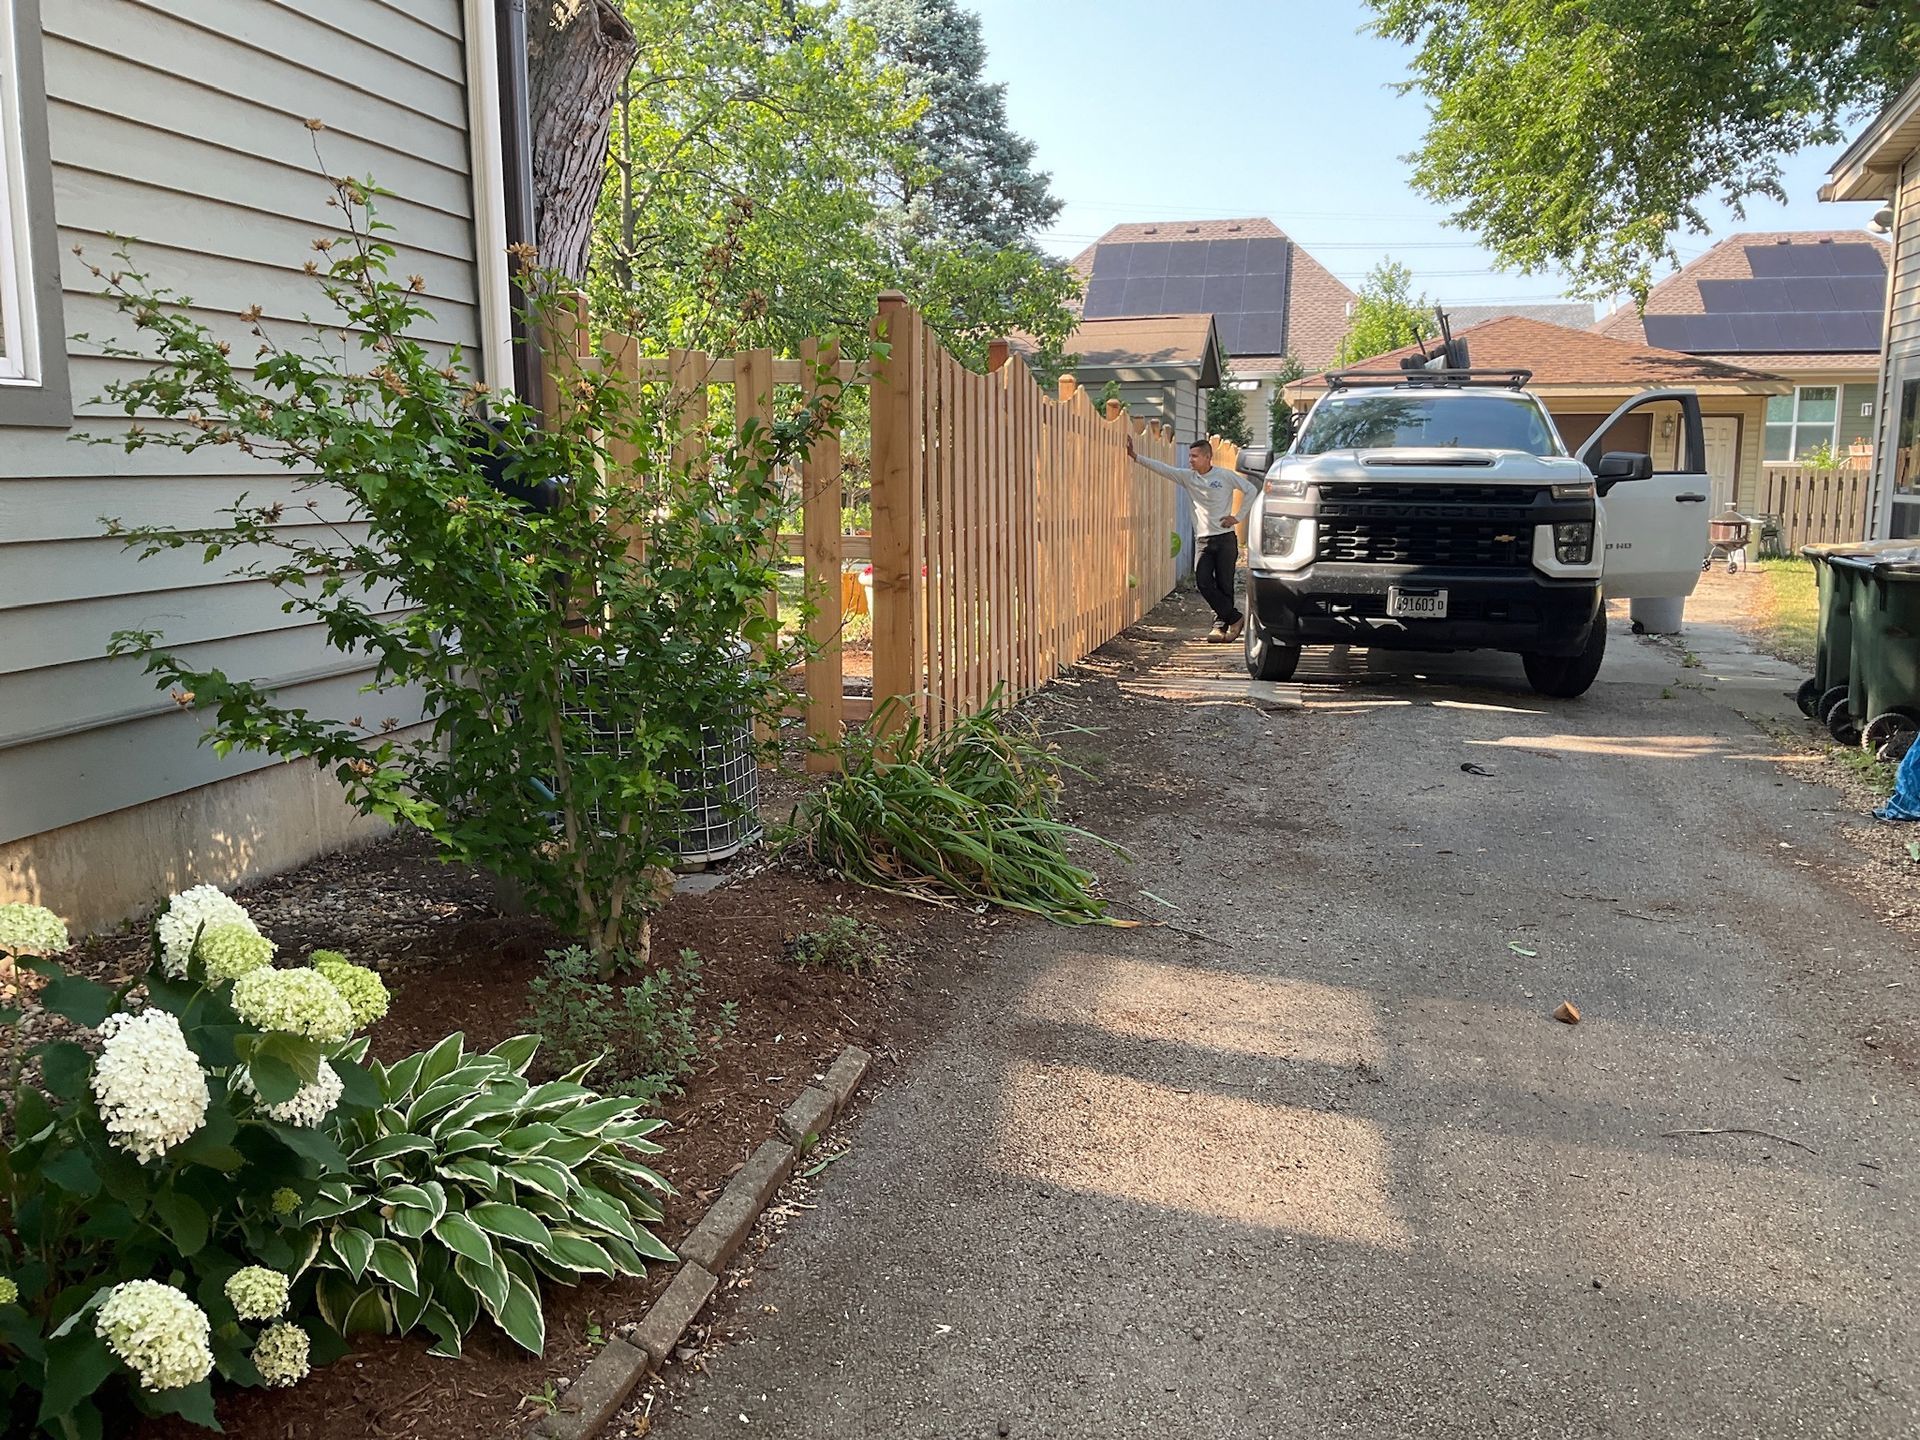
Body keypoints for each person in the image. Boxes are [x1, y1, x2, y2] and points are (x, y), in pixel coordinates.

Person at [1126, 433, 1263, 642]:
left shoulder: (1224, 476)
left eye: (1195, 456)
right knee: (1203, 582)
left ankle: (1220, 626)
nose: (1190, 460)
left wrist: (1237, 517)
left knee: (1225, 584)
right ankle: (1235, 618)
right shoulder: (1188, 477)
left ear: (1208, 458)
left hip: (1225, 538)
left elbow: (1251, 489)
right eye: (1189, 456)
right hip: (1203, 541)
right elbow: (1164, 469)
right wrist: (1135, 457)